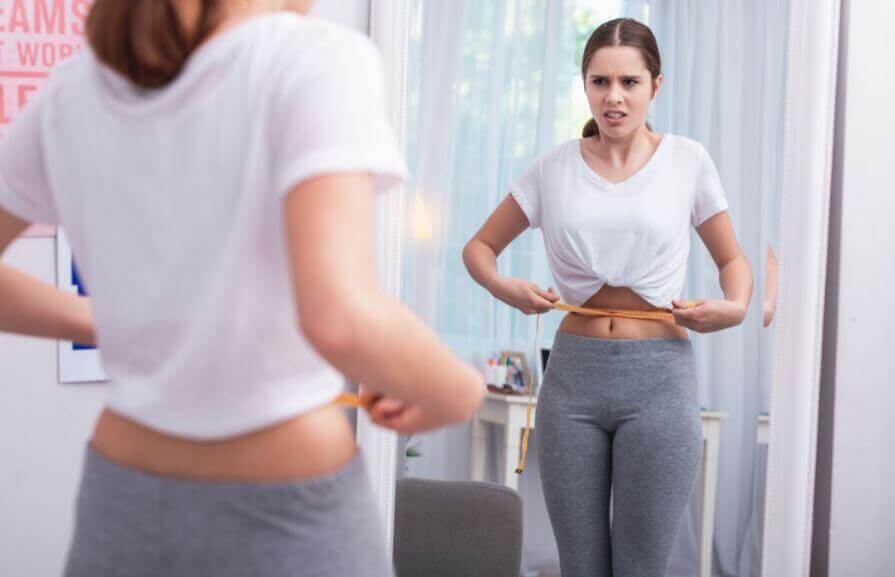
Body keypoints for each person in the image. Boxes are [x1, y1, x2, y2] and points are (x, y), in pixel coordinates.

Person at [0, 1, 484, 575]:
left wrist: (118, 322)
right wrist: (455, 389)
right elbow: (340, 318)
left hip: (122, 498)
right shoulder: (313, 60)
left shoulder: (73, 90)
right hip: (283, 512)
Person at [463, 18, 752, 577]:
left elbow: (732, 260)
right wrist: (505, 287)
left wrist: (735, 306)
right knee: (582, 567)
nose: (613, 97)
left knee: (641, 567)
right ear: (585, 83)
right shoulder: (552, 168)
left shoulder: (688, 161)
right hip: (572, 382)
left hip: (660, 380)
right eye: (599, 82)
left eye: (629, 82)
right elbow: (478, 247)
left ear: (655, 86)